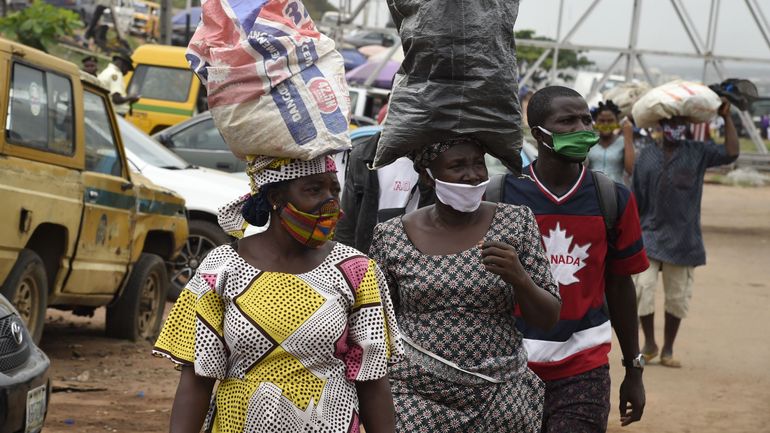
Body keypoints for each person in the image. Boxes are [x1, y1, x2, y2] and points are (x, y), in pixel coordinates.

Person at [153, 155, 404, 433]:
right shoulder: (221, 268)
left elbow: (372, 380)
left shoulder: (356, 270)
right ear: (275, 196)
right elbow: (197, 379)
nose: (330, 202)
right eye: (314, 190)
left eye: (335, 190)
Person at [369, 137, 562, 432]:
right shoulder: (391, 236)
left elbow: (548, 318)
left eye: (477, 164)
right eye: (457, 166)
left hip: (500, 398)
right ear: (427, 175)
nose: (472, 175)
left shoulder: (516, 223)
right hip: (416, 397)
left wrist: (519, 277)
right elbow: (377, 326)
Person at [499, 86, 649, 432]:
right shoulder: (502, 196)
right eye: (567, 121)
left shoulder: (612, 200)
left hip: (584, 367)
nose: (582, 128)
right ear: (538, 134)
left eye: (586, 119)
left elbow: (620, 286)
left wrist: (634, 369)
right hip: (509, 366)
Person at [632, 99, 739, 369]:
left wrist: (726, 118)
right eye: (669, 123)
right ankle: (650, 344)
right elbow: (636, 194)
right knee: (642, 289)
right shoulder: (647, 154)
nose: (674, 128)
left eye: (679, 123)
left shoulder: (698, 152)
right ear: (660, 125)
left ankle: (668, 349)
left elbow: (731, 152)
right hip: (649, 233)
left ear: (688, 127)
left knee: (677, 297)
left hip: (683, 238)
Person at [336, 131, 422, 253]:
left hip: (414, 258)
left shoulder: (430, 160)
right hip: (370, 256)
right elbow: (347, 223)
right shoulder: (362, 156)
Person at [587, 100, 635, 184]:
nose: (606, 124)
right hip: (593, 190)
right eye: (602, 121)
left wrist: (628, 137)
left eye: (610, 121)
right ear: (595, 123)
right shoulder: (590, 142)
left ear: (617, 122)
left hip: (616, 191)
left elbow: (630, 170)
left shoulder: (623, 142)